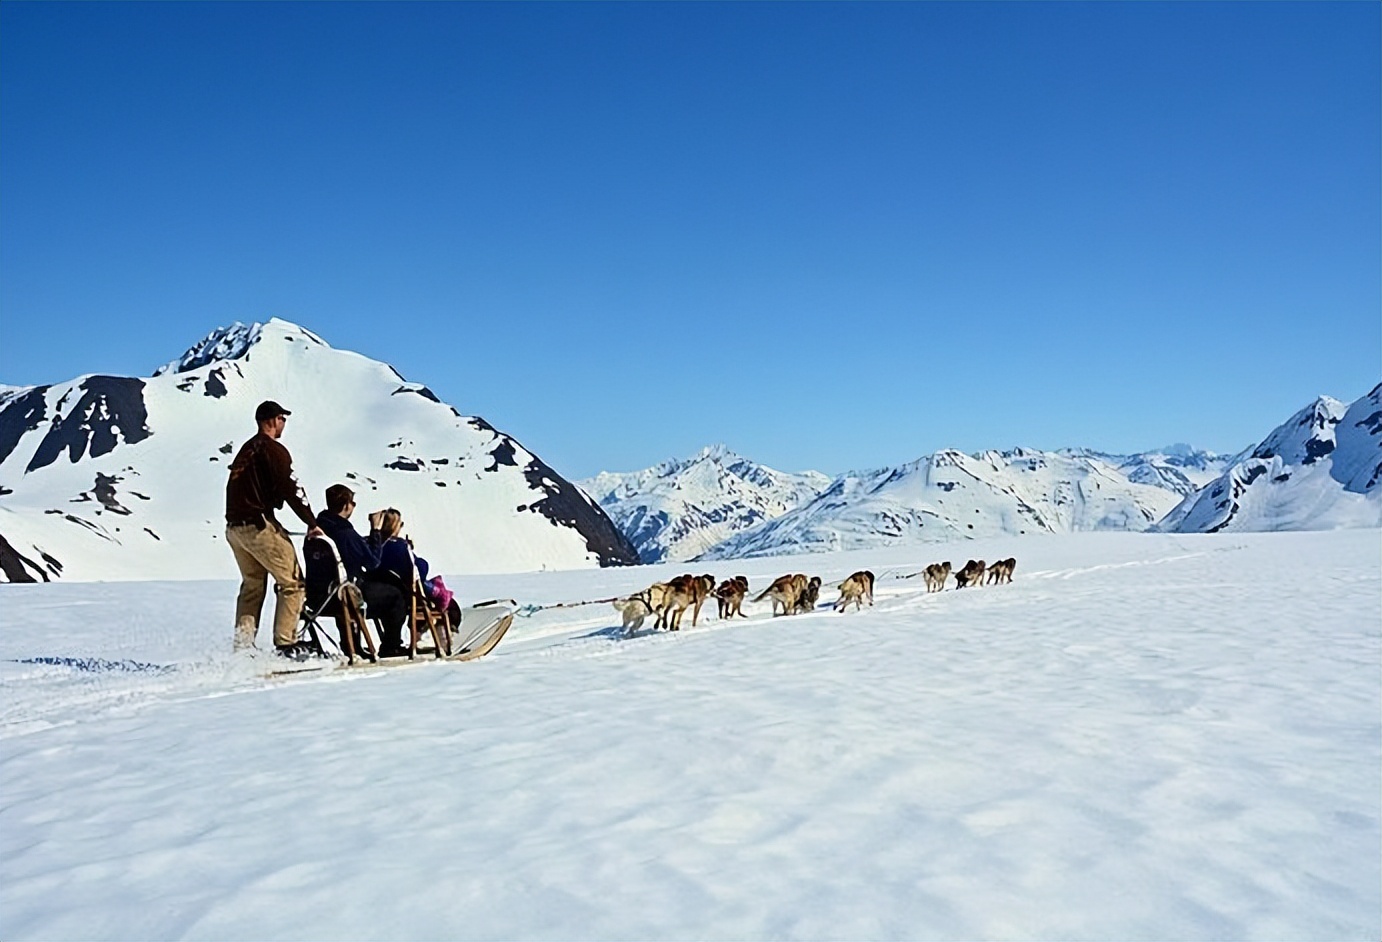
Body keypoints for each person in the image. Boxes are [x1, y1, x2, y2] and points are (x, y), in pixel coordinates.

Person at [225, 400, 323, 658]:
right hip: (258, 525)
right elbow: (291, 488)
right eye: (283, 419)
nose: (284, 424)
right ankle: (286, 644)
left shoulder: (247, 450)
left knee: (253, 584)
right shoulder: (273, 450)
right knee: (292, 582)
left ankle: (243, 649)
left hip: (235, 528)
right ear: (273, 420)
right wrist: (312, 523)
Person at [314, 485, 410, 657]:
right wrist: (376, 530)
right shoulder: (344, 532)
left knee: (362, 589)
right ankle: (391, 645)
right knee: (395, 596)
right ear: (346, 506)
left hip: (319, 593)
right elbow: (372, 561)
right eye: (353, 502)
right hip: (345, 594)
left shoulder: (319, 527)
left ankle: (351, 645)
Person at [371, 508, 461, 625]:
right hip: (407, 594)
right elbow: (418, 570)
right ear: (395, 526)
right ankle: (446, 629)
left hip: (382, 591)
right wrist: (411, 553)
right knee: (445, 602)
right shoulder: (399, 546)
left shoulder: (374, 547)